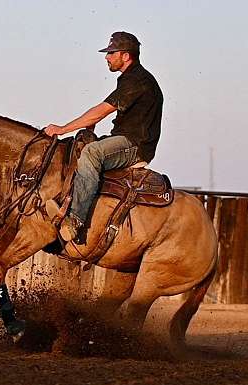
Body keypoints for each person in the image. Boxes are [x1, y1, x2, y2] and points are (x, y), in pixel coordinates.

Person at [44, 31, 164, 242]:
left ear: (126, 56)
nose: (107, 57)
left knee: (91, 152)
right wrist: (86, 129)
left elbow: (102, 110)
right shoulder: (129, 79)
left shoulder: (138, 80)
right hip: (124, 139)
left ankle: (76, 220)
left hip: (135, 146)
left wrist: (62, 129)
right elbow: (100, 112)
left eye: (111, 53)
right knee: (79, 146)